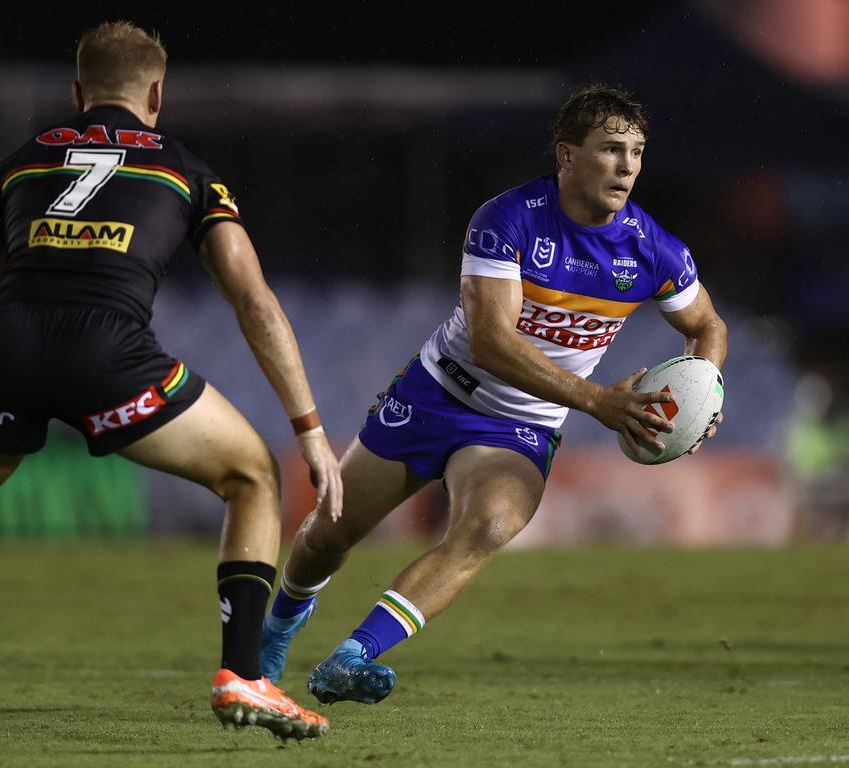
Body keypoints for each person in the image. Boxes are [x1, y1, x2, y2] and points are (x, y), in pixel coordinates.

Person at [0, 21, 341, 748]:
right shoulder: (185, 169)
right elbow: (254, 301)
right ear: (156, 94)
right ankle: (241, 674)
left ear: (77, 92)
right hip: (111, 360)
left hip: (6, 357)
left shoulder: (17, 165)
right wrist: (308, 429)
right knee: (252, 476)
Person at [259, 84, 728, 705]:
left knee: (487, 527)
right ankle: (273, 636)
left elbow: (707, 326)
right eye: (611, 149)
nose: (627, 166)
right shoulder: (508, 219)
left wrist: (704, 391)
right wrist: (596, 401)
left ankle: (353, 656)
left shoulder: (652, 248)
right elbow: (490, 343)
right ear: (566, 155)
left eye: (637, 152)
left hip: (520, 427)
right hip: (437, 395)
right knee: (328, 536)